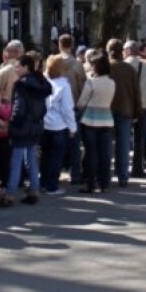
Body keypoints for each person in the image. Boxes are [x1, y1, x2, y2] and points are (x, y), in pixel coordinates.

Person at [0, 54, 51, 207]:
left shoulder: (21, 85)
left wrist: (11, 122)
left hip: (22, 126)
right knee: (31, 158)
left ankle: (10, 194)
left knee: (16, 161)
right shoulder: (41, 83)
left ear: (26, 67)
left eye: (18, 66)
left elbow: (18, 108)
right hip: (36, 124)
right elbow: (44, 107)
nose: (16, 69)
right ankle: (34, 189)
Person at [77, 52, 115, 193]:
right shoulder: (112, 83)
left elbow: (82, 101)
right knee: (105, 153)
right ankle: (104, 182)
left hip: (90, 119)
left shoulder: (91, 82)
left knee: (91, 153)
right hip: (106, 119)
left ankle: (91, 183)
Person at [107, 39, 140, 187]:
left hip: (107, 109)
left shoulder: (105, 67)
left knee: (107, 143)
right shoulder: (129, 69)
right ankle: (123, 176)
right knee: (124, 144)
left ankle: (106, 174)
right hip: (125, 109)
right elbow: (136, 93)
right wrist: (137, 112)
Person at [40, 55, 76, 195]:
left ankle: (43, 182)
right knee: (56, 157)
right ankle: (52, 185)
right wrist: (72, 127)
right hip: (59, 125)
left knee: (45, 156)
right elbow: (67, 109)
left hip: (44, 124)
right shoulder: (64, 85)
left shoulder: (44, 81)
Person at [124, 41, 146, 175]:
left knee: (123, 137)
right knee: (140, 138)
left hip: (124, 107)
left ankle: (121, 167)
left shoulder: (122, 66)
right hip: (142, 107)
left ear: (127, 51)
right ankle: (138, 167)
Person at [59, 34, 86, 185]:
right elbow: (83, 85)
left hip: (56, 108)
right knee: (75, 143)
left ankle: (55, 173)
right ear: (72, 45)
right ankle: (75, 174)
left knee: (57, 143)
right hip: (73, 106)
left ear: (59, 45)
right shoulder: (77, 65)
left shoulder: (53, 62)